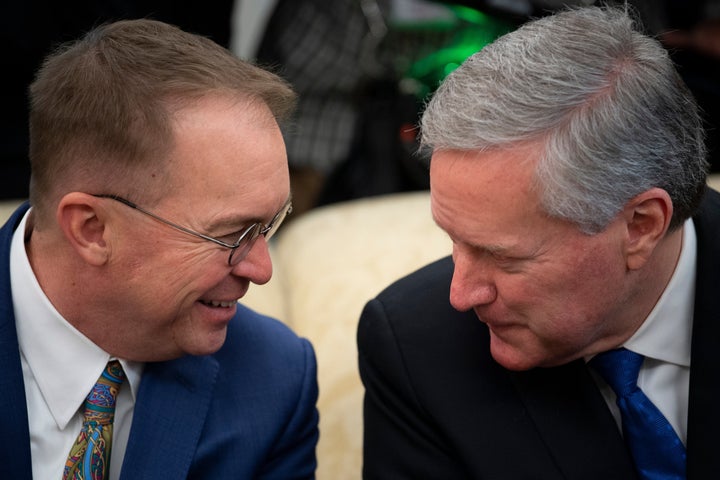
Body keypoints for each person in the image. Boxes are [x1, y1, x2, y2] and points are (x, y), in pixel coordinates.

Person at [358, 5, 718, 479]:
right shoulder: (418, 348)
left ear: (641, 225)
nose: (461, 294)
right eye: (454, 240)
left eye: (502, 257)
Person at [0, 18, 318, 479]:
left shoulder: (272, 380)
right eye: (231, 234)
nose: (262, 268)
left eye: (269, 224)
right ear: (92, 229)